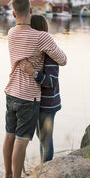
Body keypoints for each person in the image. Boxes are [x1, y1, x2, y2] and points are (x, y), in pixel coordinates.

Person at [2, 0, 67, 178]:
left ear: (14, 13)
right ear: (30, 11)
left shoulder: (11, 33)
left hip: (11, 91)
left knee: (9, 135)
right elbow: (62, 59)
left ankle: (7, 177)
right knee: (22, 140)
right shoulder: (41, 37)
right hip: (28, 95)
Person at [19, 14, 62, 163]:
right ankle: (43, 167)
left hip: (48, 104)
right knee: (41, 136)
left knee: (45, 139)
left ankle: (46, 171)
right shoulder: (37, 53)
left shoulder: (49, 54)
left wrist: (34, 73)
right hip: (39, 102)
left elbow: (52, 81)